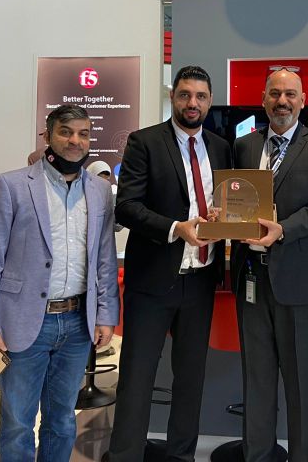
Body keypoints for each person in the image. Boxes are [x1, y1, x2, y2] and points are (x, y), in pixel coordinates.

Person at [0, 104, 119, 462]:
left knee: (62, 420)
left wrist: (106, 313)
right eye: (65, 132)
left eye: (83, 133)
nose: (74, 141)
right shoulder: (12, 185)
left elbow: (104, 259)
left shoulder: (98, 191)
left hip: (78, 323)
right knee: (17, 423)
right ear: (48, 136)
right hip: (23, 322)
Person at [108, 65, 233, 462]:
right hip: (153, 281)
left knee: (190, 379)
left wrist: (221, 218)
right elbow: (126, 207)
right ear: (173, 98)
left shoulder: (220, 147)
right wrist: (177, 227)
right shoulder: (144, 142)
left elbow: (225, 207)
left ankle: (182, 455)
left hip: (200, 281)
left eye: (200, 96)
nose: (192, 103)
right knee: (137, 377)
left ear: (209, 101)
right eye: (184, 95)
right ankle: (126, 454)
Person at [231, 69, 308, 462]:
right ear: (263, 99)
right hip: (251, 279)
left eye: (290, 94)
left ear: (303, 99)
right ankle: (257, 455)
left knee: (300, 385)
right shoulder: (244, 146)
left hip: (299, 282)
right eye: (275, 94)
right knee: (256, 382)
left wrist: (282, 230)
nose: (282, 101)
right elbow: (236, 202)